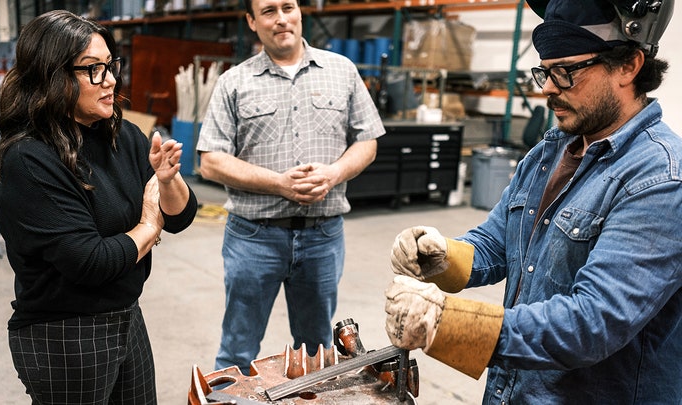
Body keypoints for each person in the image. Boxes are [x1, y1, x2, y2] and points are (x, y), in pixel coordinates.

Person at [384, 0, 681, 403]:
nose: (547, 89)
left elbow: (593, 324)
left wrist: (448, 325)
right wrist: (443, 256)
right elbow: (500, 242)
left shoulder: (659, 178)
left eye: (566, 72)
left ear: (629, 66)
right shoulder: (553, 149)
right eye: (544, 71)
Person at [0, 10, 198, 404]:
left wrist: (167, 182)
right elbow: (91, 261)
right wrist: (149, 223)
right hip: (64, 332)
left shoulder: (122, 133)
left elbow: (182, 216)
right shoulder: (30, 160)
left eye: (111, 65)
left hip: (127, 315)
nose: (111, 79)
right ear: (53, 77)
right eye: (93, 69)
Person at [196, 0, 385, 373]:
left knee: (317, 353)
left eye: (288, 7)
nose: (281, 19)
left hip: (322, 238)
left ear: (300, 13)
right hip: (254, 238)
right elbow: (210, 161)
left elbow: (368, 141)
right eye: (268, 11)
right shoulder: (234, 82)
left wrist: (333, 174)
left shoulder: (341, 71)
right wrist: (279, 184)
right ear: (252, 21)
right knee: (237, 349)